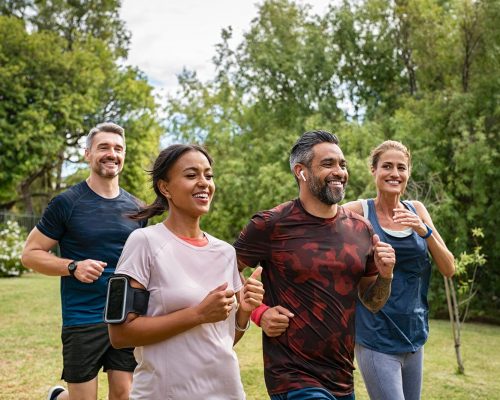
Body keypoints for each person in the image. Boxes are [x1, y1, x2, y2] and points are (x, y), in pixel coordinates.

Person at [233, 130, 396, 400]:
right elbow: (224, 270)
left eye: (342, 164)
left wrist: (386, 275)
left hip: (342, 377)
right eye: (328, 164)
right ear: (301, 172)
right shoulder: (271, 224)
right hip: (292, 375)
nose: (339, 171)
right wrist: (259, 313)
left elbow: (372, 301)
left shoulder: (361, 229)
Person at [107, 144, 264, 399]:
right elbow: (120, 335)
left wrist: (243, 313)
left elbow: (220, 340)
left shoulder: (225, 252)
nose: (204, 183)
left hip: (226, 392)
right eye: (191, 175)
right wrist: (198, 314)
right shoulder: (143, 242)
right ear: (165, 187)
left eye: (208, 176)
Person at [21, 122, 146, 400]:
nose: (111, 154)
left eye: (118, 148)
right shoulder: (67, 203)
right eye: (103, 147)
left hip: (126, 315)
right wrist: (73, 267)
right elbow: (30, 253)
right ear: (88, 154)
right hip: (83, 316)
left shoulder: (138, 209)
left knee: (125, 395)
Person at [342, 140, 455, 400]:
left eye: (401, 167)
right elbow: (318, 223)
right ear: (374, 170)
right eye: (387, 166)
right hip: (376, 338)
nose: (395, 173)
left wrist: (424, 231)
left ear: (408, 173)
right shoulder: (358, 212)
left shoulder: (418, 210)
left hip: (414, 336)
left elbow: (449, 267)